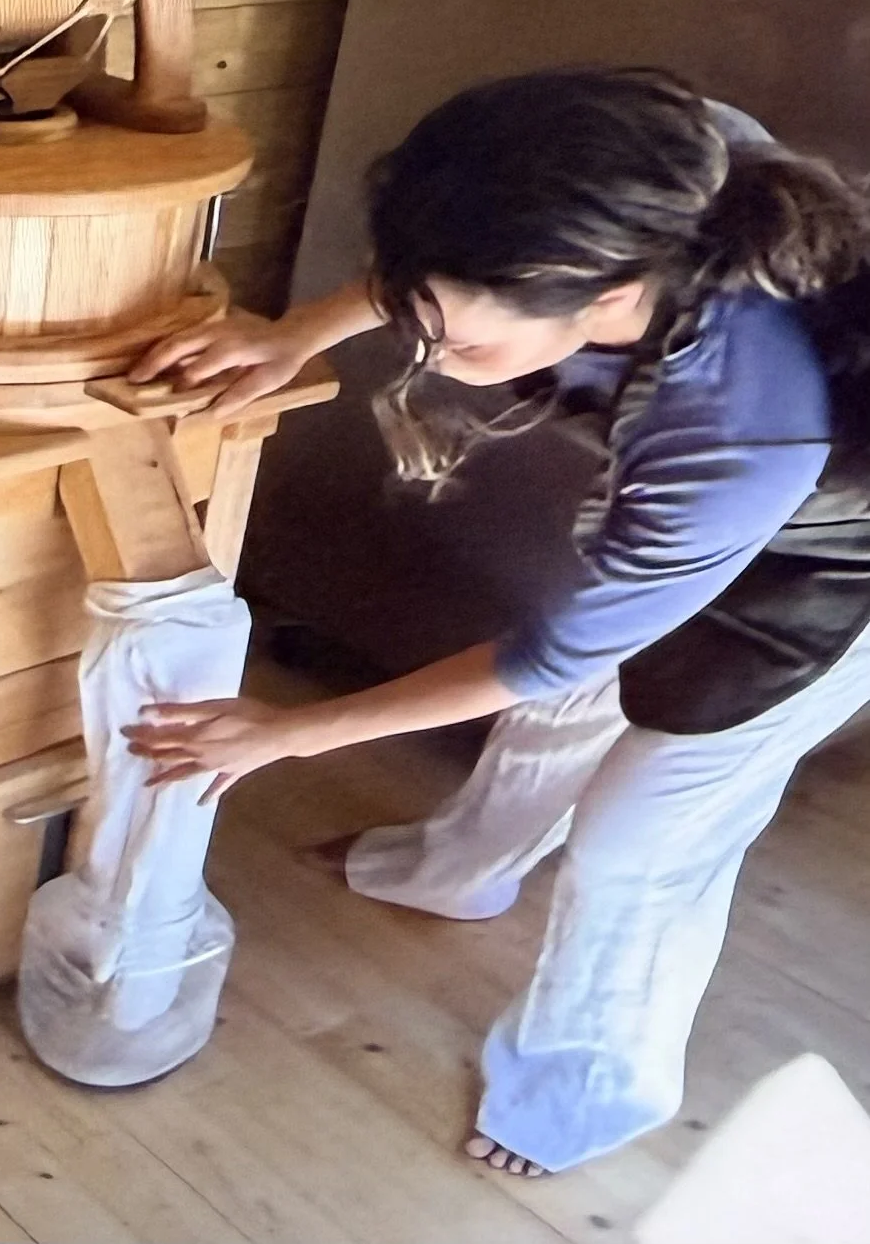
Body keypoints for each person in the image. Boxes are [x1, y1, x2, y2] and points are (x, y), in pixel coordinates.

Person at [124, 68, 870, 1180]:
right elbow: (443, 265)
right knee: (563, 711)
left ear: (610, 300)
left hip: (831, 572)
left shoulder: (735, 423)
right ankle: (454, 872)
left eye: (461, 345)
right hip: (712, 513)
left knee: (641, 841)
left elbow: (552, 653)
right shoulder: (652, 169)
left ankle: (586, 1092)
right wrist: (297, 335)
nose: (429, 354)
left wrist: (290, 733)